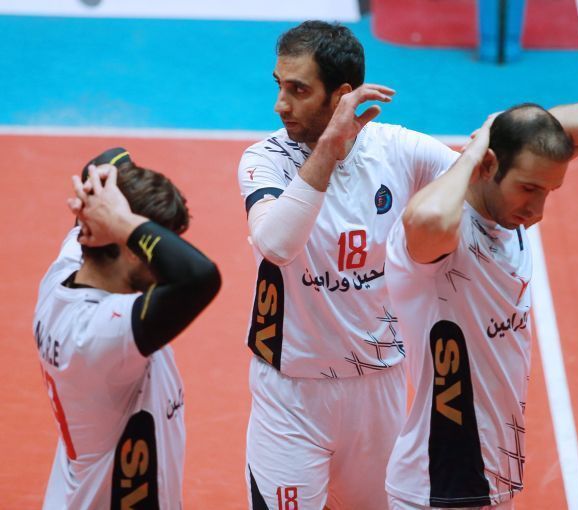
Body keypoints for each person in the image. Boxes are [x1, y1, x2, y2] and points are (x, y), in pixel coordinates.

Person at [237, 20, 459, 510]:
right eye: (279, 86)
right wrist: (328, 150)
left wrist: (493, 140)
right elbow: (276, 245)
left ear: (341, 96)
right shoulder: (265, 159)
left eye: (298, 90)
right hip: (290, 394)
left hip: (379, 385)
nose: (280, 105)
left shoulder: (398, 150)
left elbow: (477, 182)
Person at [384, 103, 578, 509]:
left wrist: (497, 125)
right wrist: (473, 152)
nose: (537, 212)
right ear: (487, 166)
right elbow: (428, 218)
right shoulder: (445, 238)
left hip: (492, 479)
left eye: (548, 192)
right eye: (529, 188)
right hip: (437, 486)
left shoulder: (506, 218)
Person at [35, 148, 221, 509]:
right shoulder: (100, 336)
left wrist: (113, 214)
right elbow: (200, 278)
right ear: (132, 248)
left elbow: (106, 160)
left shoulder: (66, 268)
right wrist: (123, 223)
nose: (164, 266)